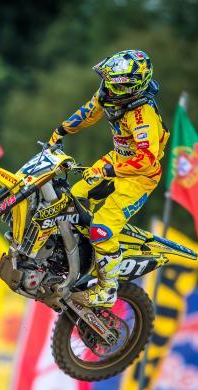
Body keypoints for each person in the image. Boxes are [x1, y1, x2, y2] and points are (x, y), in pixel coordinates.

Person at [48, 49, 169, 307]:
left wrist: (108, 171)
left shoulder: (142, 114)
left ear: (133, 87)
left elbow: (147, 158)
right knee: (72, 200)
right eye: (110, 82)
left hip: (140, 177)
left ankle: (107, 289)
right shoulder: (109, 93)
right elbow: (88, 112)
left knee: (102, 228)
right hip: (116, 160)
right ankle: (75, 258)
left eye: (118, 85)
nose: (111, 88)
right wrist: (60, 131)